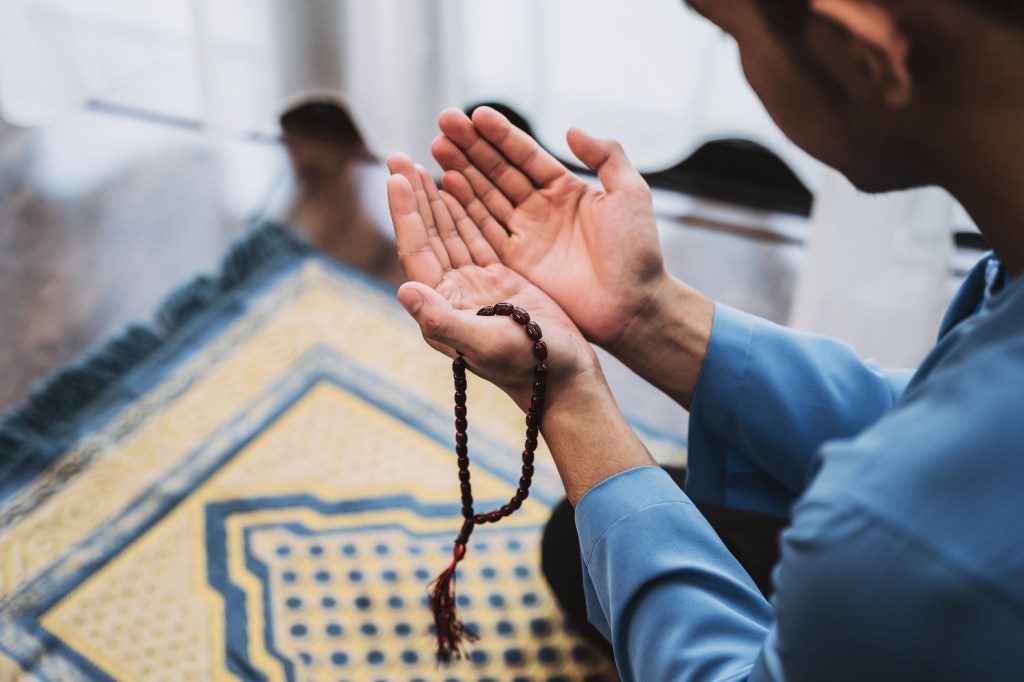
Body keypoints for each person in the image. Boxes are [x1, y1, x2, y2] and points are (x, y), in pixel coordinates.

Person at [385, 0, 1024, 678]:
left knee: (604, 539)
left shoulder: (883, 537)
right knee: (586, 541)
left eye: (728, 33)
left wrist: (565, 394)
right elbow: (925, 415)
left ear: (854, 54)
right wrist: (649, 314)